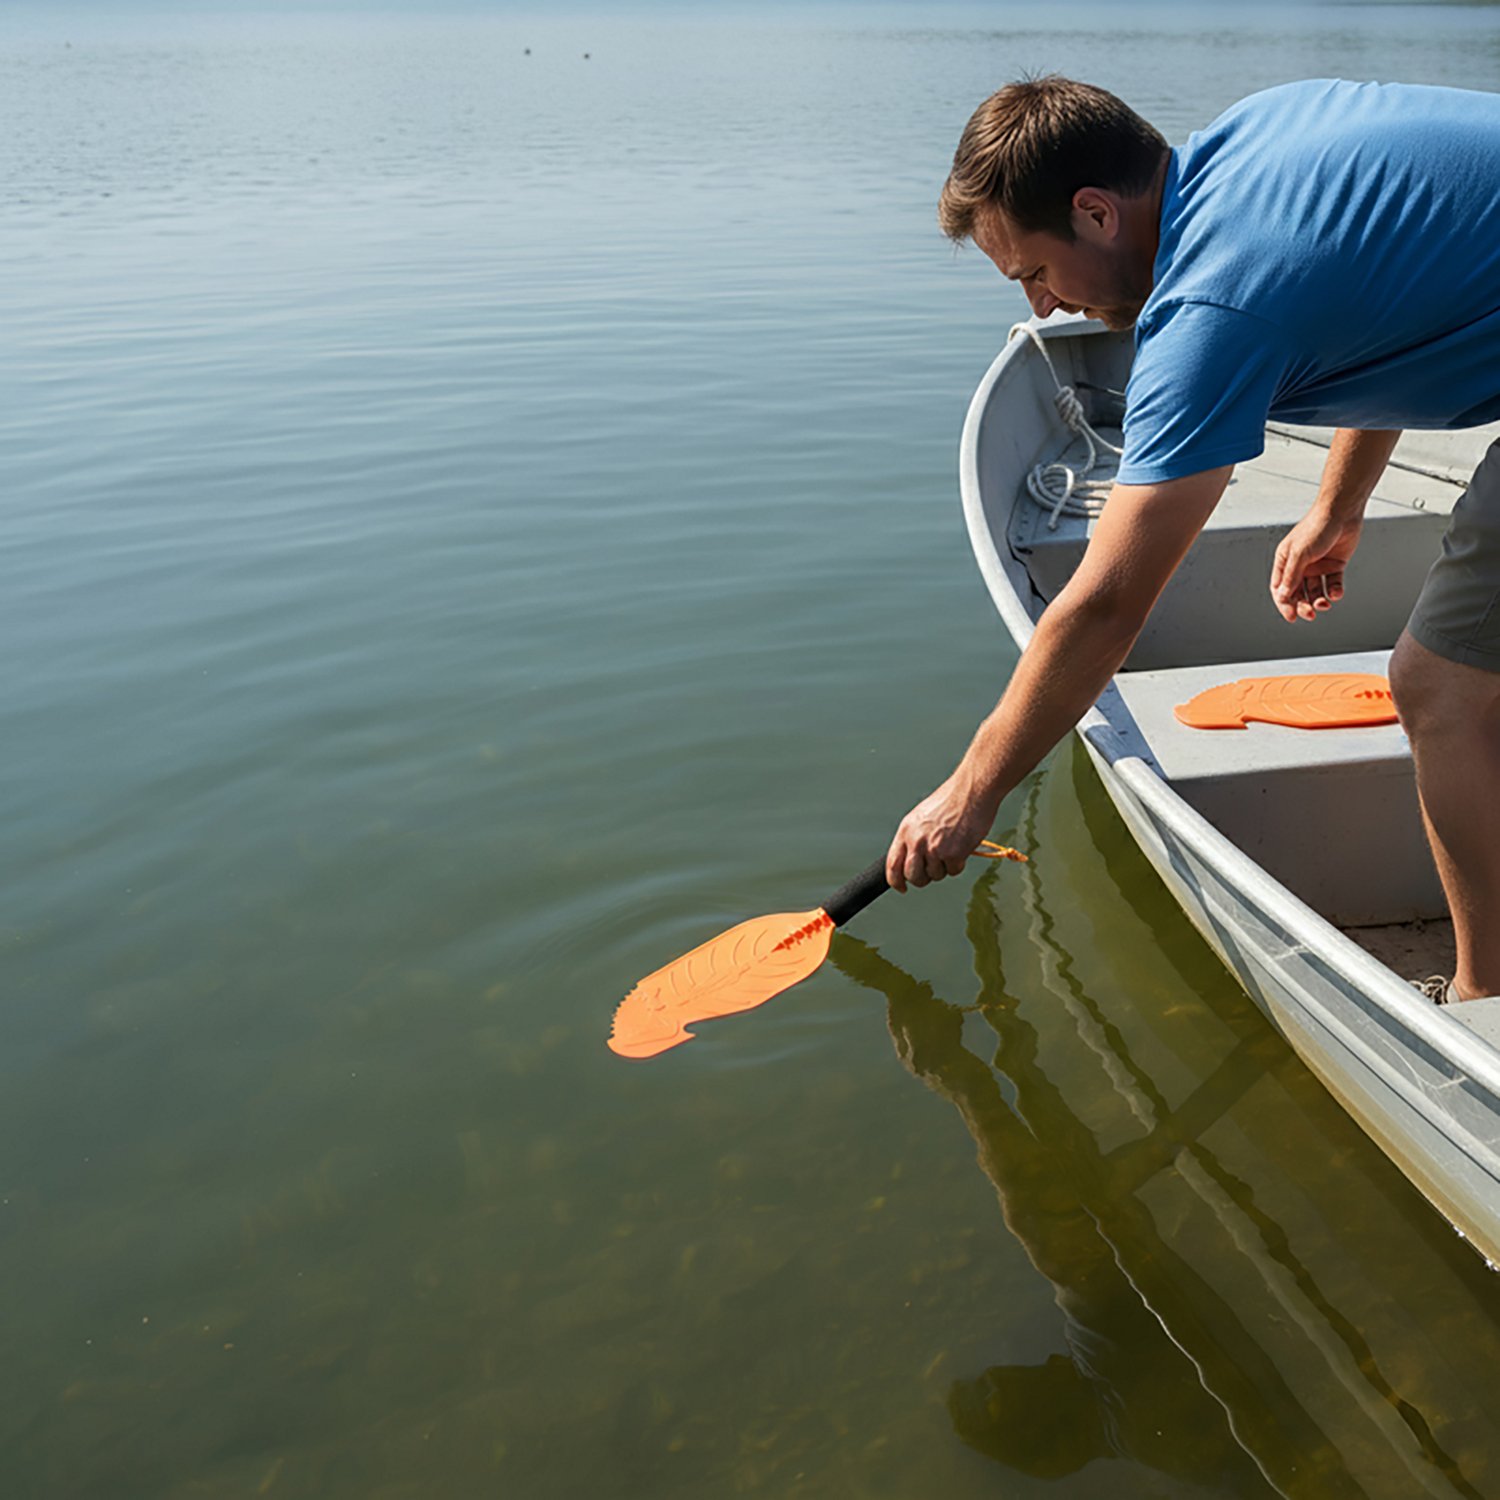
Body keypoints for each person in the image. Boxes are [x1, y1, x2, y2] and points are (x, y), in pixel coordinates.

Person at [886, 76, 1500, 1005]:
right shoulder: (1255, 137)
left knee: (1440, 690)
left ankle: (1485, 1001)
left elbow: (1103, 605)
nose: (1042, 309)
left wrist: (970, 791)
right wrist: (1339, 505)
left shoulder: (1210, 306)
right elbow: (1387, 302)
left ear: (1095, 212)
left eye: (1033, 274)